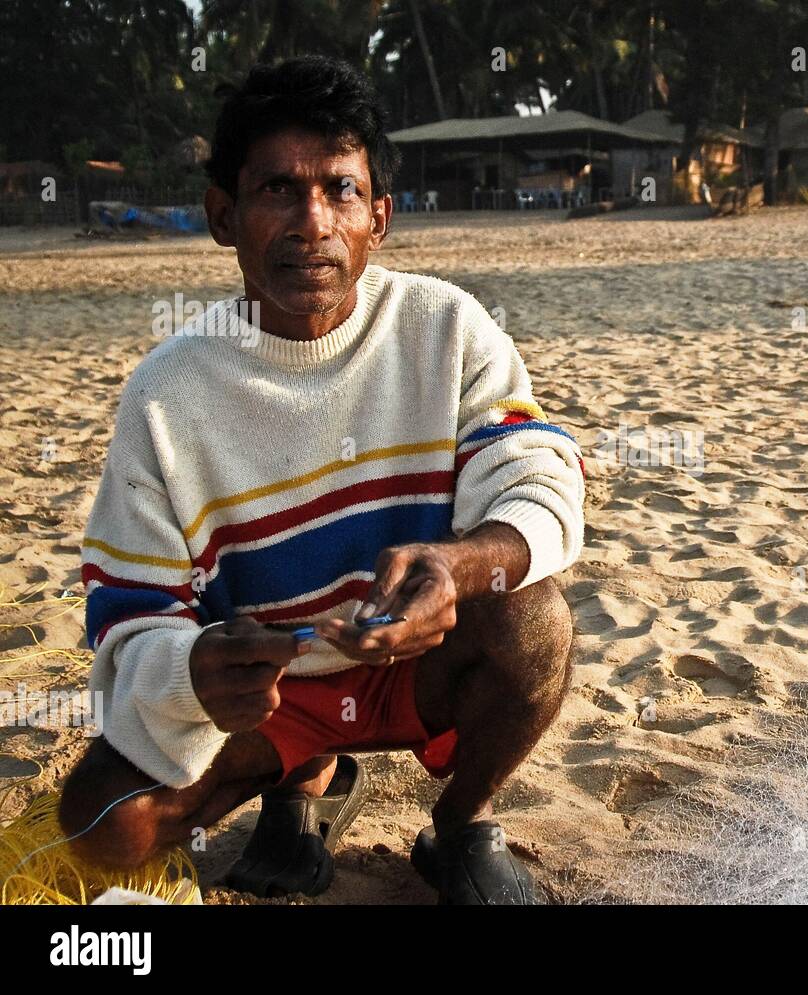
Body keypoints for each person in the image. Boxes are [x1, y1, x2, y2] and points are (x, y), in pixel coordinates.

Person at [58, 56, 585, 905]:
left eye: (341, 190)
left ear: (379, 218)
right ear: (223, 215)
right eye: (278, 190)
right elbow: (127, 616)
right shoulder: (166, 394)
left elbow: (540, 477)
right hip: (272, 698)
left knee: (535, 613)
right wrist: (193, 668)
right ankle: (300, 783)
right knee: (103, 821)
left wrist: (459, 567)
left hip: (423, 662)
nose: (313, 222)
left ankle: (459, 824)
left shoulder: (447, 327)